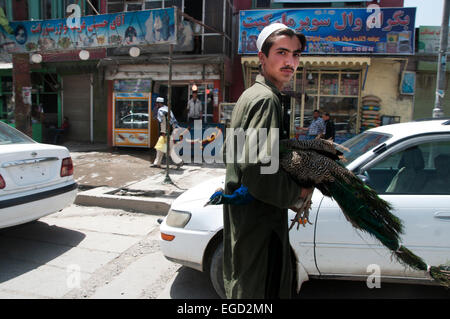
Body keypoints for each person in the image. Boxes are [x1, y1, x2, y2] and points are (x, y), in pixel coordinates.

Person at [223, 23, 310, 299]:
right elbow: (259, 169)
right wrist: (298, 192)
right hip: (261, 223)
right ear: (262, 57)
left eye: (295, 55)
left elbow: (237, 153)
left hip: (248, 220)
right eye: (281, 52)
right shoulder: (265, 101)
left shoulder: (250, 96)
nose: (290, 61)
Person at [151, 97, 184, 169]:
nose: (156, 104)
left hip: (166, 133)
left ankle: (179, 162)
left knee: (169, 150)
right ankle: (157, 163)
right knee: (160, 149)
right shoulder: (167, 109)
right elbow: (173, 121)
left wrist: (163, 132)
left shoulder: (161, 111)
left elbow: (163, 122)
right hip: (171, 132)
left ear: (159, 103)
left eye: (157, 103)